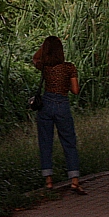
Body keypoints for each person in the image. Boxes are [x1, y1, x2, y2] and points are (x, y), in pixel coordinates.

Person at [33, 36, 87, 194]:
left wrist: (45, 47)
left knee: (45, 142)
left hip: (46, 104)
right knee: (69, 142)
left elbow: (35, 58)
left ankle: (49, 181)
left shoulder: (44, 66)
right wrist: (65, 85)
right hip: (62, 105)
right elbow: (75, 91)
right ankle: (75, 180)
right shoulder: (69, 68)